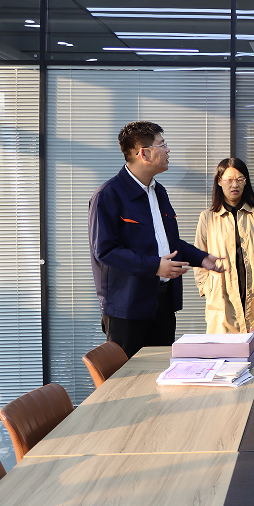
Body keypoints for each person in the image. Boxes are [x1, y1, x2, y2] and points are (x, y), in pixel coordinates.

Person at [89, 121, 225, 358]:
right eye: (162, 145)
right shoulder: (108, 195)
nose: (168, 150)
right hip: (127, 309)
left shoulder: (158, 191)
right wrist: (154, 266)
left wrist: (203, 259)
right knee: (129, 376)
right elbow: (106, 251)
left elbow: (169, 243)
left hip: (162, 303)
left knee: (162, 370)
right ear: (144, 153)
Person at [193, 158, 254, 334]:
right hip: (222, 293)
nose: (235, 184)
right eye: (229, 179)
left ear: (246, 181)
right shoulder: (208, 217)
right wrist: (207, 287)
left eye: (240, 179)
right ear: (220, 181)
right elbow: (198, 257)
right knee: (226, 347)